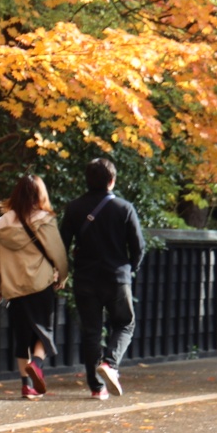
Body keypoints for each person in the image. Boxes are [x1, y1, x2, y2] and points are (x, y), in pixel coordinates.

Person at [60, 158, 143, 400]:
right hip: (117, 277)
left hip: (85, 278)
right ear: (112, 180)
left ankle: (97, 388)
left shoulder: (74, 208)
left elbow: (62, 244)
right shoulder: (123, 208)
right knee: (125, 323)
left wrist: (64, 270)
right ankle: (110, 363)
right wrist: (130, 269)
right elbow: (138, 246)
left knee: (91, 332)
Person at [0, 174, 67, 400]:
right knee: (44, 331)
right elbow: (58, 253)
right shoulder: (45, 220)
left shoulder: (2, 223)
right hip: (40, 284)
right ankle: (36, 364)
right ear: (40, 195)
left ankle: (27, 386)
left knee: (22, 337)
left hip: (13, 287)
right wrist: (62, 275)